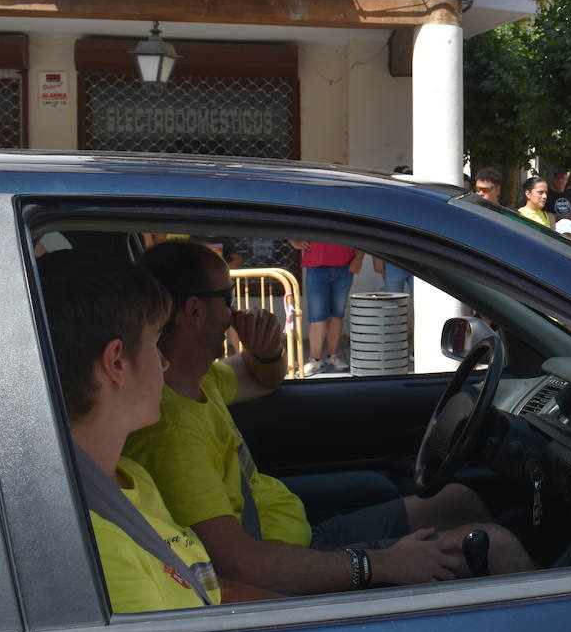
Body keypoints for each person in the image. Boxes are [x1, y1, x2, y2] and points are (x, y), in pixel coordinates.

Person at [125, 240, 535, 595]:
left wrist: (264, 349)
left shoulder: (200, 381)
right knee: (496, 545)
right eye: (229, 298)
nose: (237, 312)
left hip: (296, 537)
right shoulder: (174, 435)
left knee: (458, 499)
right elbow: (240, 567)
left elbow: (262, 378)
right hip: (284, 569)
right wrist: (381, 564)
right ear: (195, 311)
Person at [38, 251, 233, 612]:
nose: (164, 362)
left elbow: (204, 590)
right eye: (155, 342)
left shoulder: (132, 477)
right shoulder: (101, 547)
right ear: (116, 363)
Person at [289, 241, 362, 376]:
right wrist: (292, 240)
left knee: (337, 314)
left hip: (345, 265)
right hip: (317, 265)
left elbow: (363, 232)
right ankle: (315, 360)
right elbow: (286, 220)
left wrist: (359, 258)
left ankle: (332, 356)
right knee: (317, 316)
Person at [544, 167, 571, 243]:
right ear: (553, 179)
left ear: (567, 179)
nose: (560, 180)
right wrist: (561, 216)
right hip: (556, 232)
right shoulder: (547, 195)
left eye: (562, 178)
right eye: (557, 178)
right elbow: (544, 215)